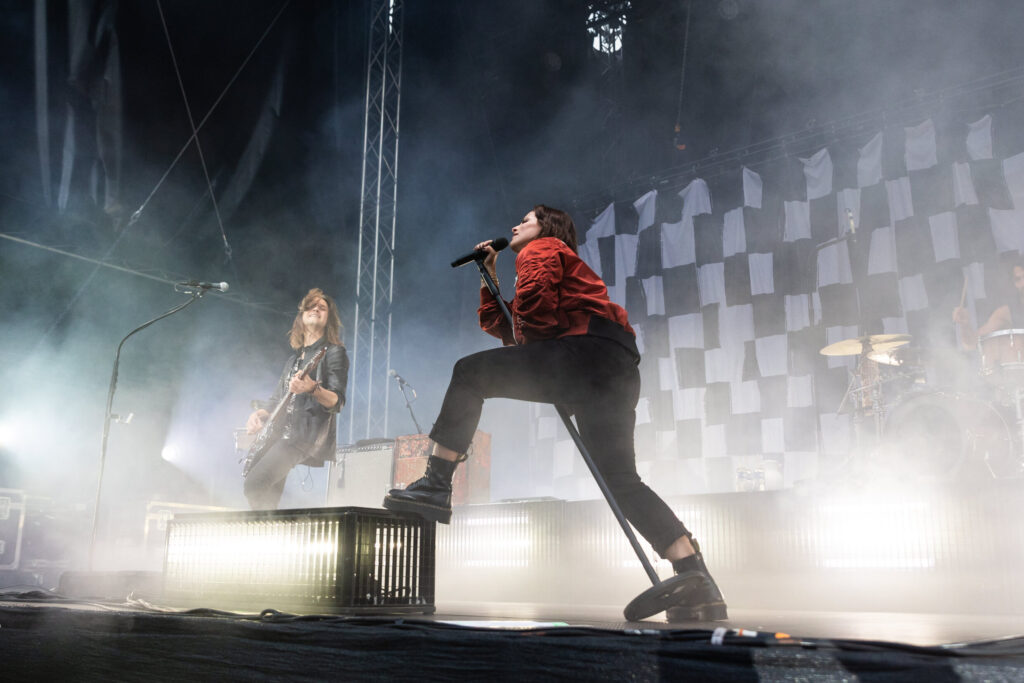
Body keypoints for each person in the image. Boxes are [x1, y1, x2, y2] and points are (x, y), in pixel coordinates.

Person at [383, 205, 727, 622]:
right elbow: (512, 331)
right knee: (620, 479)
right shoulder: (545, 257)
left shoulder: (543, 248)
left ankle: (435, 485)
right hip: (612, 365)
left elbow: (534, 316)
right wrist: (489, 276)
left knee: (470, 373)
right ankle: (697, 579)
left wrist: (532, 337)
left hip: (583, 354)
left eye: (525, 220)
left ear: (547, 228)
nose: (515, 225)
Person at [244, 288, 349, 510]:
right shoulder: (293, 360)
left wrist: (313, 388)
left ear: (328, 318)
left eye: (322, 307)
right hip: (279, 433)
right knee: (267, 497)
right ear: (300, 317)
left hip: (302, 436)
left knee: (254, 485)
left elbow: (337, 402)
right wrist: (259, 414)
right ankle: (268, 537)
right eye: (311, 306)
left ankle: (268, 533)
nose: (316, 309)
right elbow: (276, 400)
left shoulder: (333, 352)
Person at [952, 258, 1024, 350]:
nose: (1023, 283)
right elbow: (972, 343)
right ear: (1014, 284)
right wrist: (964, 325)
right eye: (1018, 279)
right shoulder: (1006, 313)